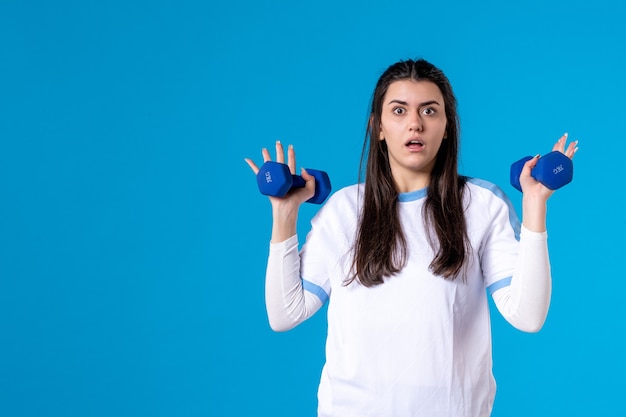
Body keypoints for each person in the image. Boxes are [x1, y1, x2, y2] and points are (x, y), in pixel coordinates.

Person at [245, 58, 578, 417]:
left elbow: (528, 317)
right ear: (379, 127)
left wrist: (534, 206)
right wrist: (284, 214)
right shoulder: (343, 210)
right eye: (399, 110)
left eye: (430, 111)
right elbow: (285, 314)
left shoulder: (482, 205)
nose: (415, 123)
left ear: (447, 126)